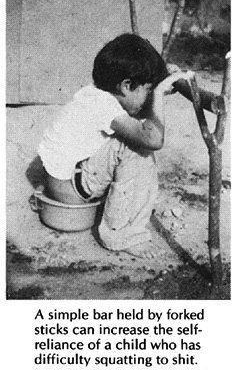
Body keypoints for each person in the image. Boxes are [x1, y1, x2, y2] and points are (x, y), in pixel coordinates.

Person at [38, 33, 186, 259]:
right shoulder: (105, 106)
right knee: (137, 149)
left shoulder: (95, 94)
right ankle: (121, 235)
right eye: (147, 90)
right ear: (126, 85)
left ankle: (119, 215)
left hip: (60, 183)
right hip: (72, 189)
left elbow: (137, 113)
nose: (148, 98)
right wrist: (159, 95)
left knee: (134, 137)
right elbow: (153, 139)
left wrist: (158, 85)